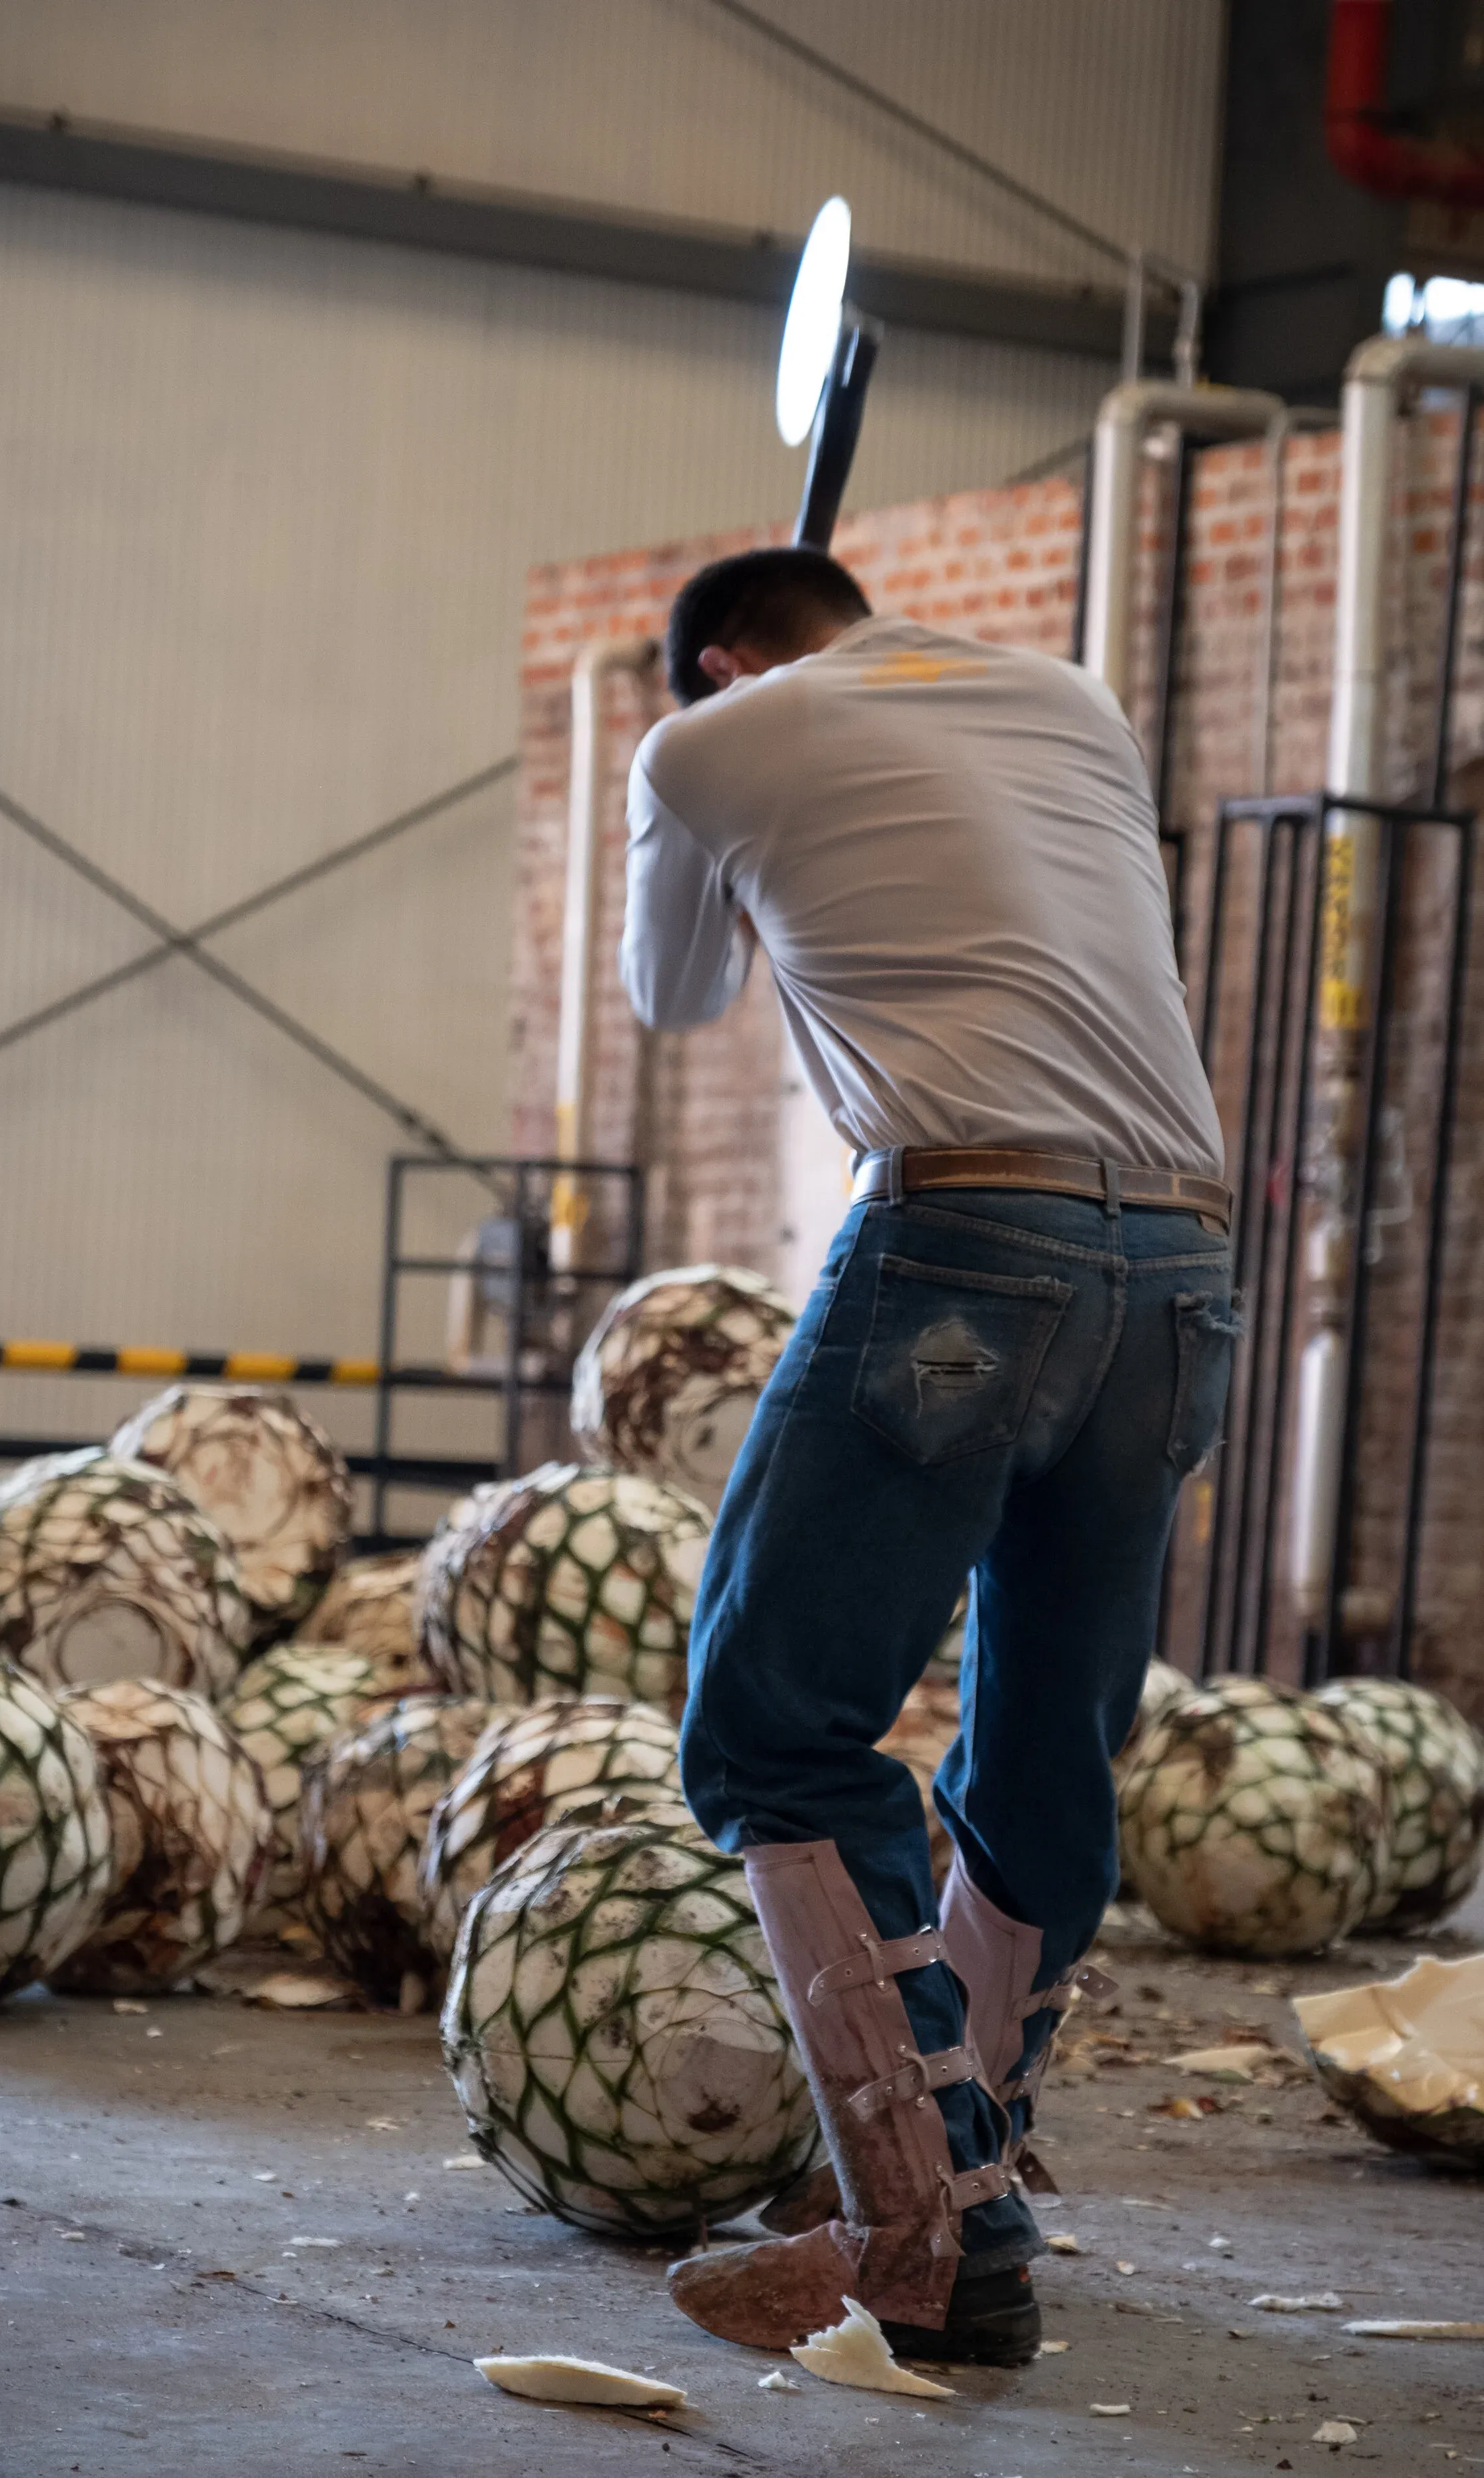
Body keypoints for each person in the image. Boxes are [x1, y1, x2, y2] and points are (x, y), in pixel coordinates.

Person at [618, 546, 1234, 2367]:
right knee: (1048, 1724)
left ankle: (925, 2224)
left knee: (769, 1724)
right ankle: (965, 2147)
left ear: (722, 664)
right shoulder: (1070, 700)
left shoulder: (706, 745)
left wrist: (712, 769)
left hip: (969, 1256)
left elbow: (665, 998)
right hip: (1181, 1271)